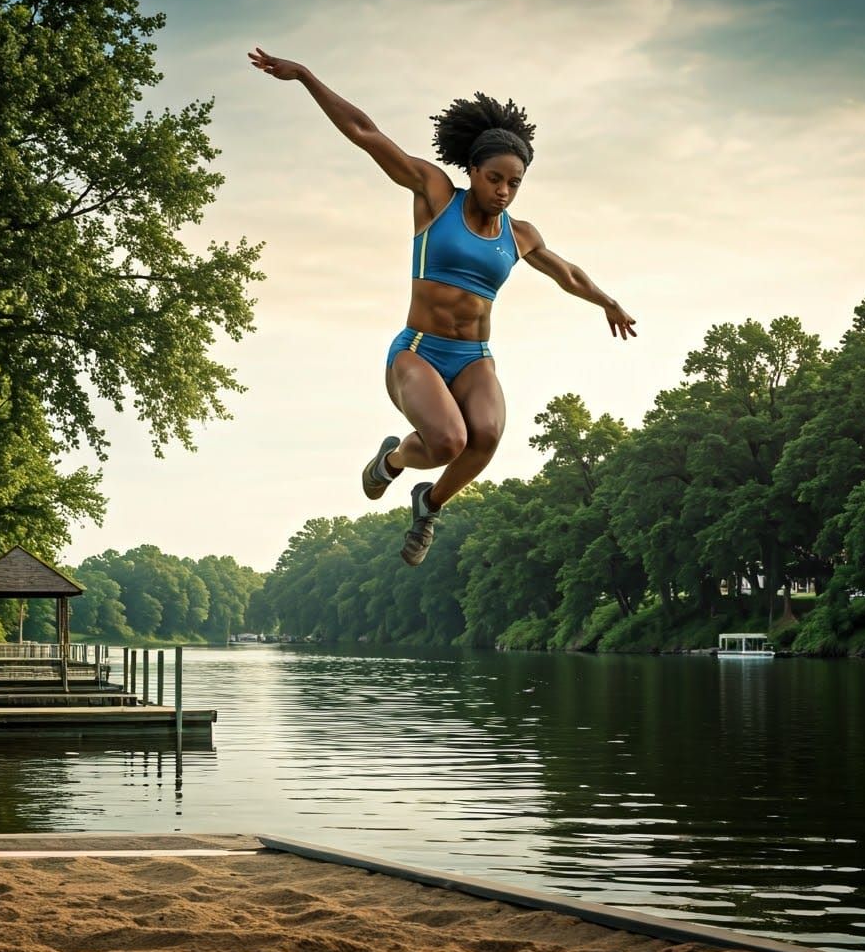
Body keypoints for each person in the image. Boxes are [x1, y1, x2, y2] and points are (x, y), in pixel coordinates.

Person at [249, 48, 637, 566]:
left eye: (514, 183)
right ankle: (391, 460)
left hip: (474, 356)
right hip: (418, 352)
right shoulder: (435, 195)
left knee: (488, 436)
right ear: (473, 170)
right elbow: (366, 133)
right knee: (448, 440)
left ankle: (427, 504)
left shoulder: (519, 235)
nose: (503, 191)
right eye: (495, 178)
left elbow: (565, 273)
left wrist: (607, 302)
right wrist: (305, 77)